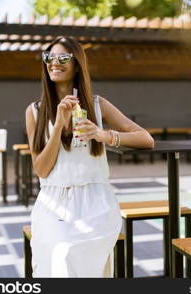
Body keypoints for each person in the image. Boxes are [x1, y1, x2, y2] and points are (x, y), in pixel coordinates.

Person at [25, 35, 154, 277]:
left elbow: (146, 139)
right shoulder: (34, 112)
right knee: (59, 255)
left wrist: (102, 135)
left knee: (71, 255)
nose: (54, 62)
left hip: (95, 203)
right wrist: (58, 127)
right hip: (53, 204)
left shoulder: (97, 105)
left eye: (63, 57)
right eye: (49, 58)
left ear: (77, 64)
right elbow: (41, 170)